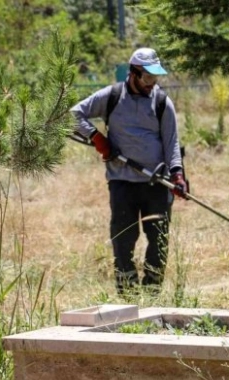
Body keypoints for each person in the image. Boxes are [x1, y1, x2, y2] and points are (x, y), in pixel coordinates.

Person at [71, 47, 187, 295]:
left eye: (155, 79)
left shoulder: (162, 103)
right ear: (133, 73)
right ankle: (128, 293)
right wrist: (97, 138)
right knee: (123, 239)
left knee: (158, 240)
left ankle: (152, 293)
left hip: (157, 181)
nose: (151, 84)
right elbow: (74, 114)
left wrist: (177, 174)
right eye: (147, 78)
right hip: (122, 181)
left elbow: (172, 143)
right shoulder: (111, 96)